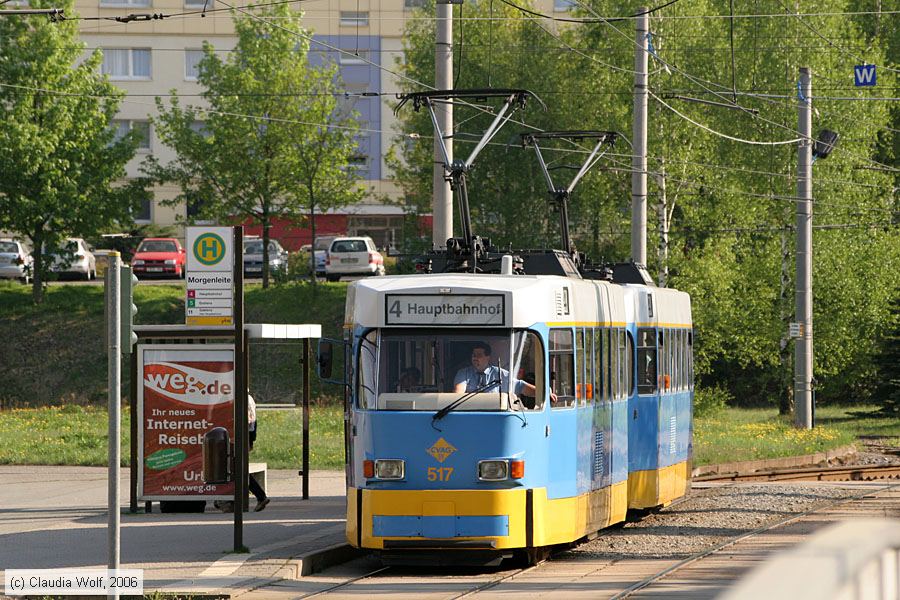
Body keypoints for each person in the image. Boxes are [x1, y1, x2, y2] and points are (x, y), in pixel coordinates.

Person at [216, 394, 270, 513]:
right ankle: (223, 499)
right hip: (245, 436)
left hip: (237, 437)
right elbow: (254, 422)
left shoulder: (234, 398)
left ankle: (259, 496)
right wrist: (252, 440)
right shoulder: (249, 398)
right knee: (237, 467)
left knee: (236, 468)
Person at [453, 341, 538, 398]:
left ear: (487, 357)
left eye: (479, 355)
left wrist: (543, 394)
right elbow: (458, 395)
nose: (475, 358)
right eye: (473, 355)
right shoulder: (463, 373)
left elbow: (521, 386)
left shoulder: (500, 374)